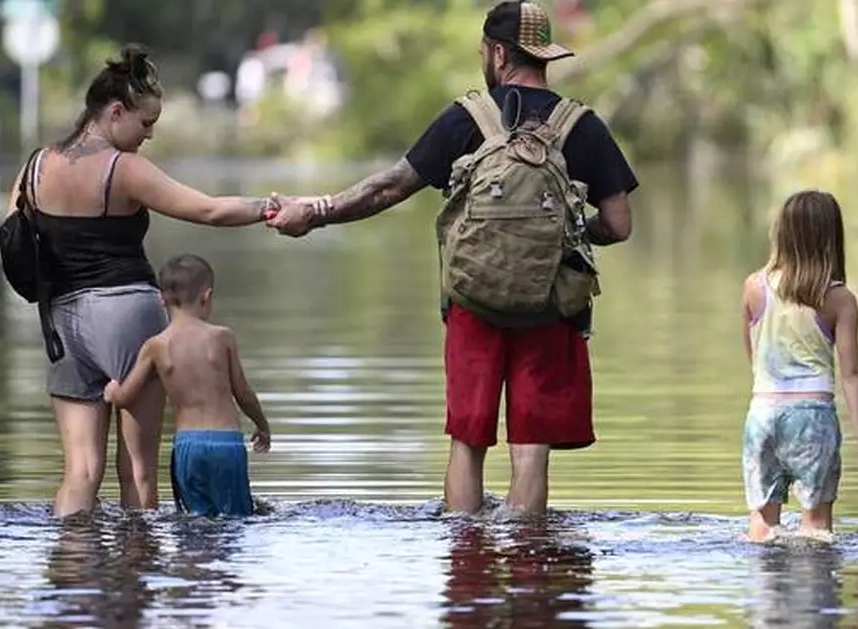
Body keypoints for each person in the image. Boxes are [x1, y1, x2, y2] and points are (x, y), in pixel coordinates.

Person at [267, 1, 638, 515]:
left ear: (499, 54)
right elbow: (619, 225)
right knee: (530, 454)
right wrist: (569, 232)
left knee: (468, 442)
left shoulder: (468, 118)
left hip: (473, 305)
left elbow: (388, 188)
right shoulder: (582, 125)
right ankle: (528, 564)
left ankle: (468, 564)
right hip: (551, 307)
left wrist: (317, 210)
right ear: (544, 55)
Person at [3, 44, 278, 518]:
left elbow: (14, 242)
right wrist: (271, 207)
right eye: (145, 123)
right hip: (127, 316)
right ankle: (139, 582)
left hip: (61, 326)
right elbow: (208, 209)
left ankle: (74, 581)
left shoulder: (34, 167)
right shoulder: (122, 168)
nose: (148, 135)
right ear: (115, 112)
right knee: (137, 470)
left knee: (80, 472)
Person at [741, 189, 858, 541]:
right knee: (816, 531)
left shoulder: (754, 287)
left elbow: (754, 360)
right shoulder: (839, 299)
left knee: (761, 528)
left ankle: (765, 592)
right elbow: (851, 374)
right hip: (812, 418)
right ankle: (816, 593)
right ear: (831, 237)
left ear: (782, 233)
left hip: (762, 413)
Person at [104, 254, 272, 517]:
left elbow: (126, 397)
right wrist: (262, 425)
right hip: (226, 444)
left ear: (161, 299)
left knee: (194, 524)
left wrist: (112, 391)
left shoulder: (156, 346)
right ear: (207, 296)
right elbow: (244, 393)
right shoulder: (222, 337)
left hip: (188, 447)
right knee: (236, 520)